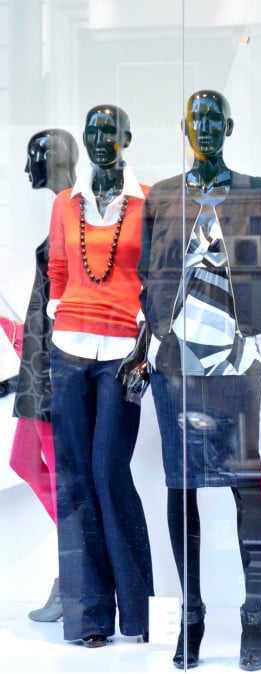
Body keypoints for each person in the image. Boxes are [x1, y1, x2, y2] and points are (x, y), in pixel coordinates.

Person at [120, 89, 261, 671]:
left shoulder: (256, 192)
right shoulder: (163, 196)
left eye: (216, 119)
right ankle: (190, 614)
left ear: (230, 127)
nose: (207, 127)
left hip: (238, 359)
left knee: (246, 485)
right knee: (181, 486)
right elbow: (148, 281)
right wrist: (142, 350)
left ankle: (254, 615)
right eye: (198, 120)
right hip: (175, 363)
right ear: (185, 129)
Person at [47, 105, 154, 647]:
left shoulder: (149, 201)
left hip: (122, 352)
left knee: (110, 471)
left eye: (109, 130)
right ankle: (88, 618)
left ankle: (137, 613)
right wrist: (59, 315)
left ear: (126, 138)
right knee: (75, 480)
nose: (98, 138)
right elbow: (57, 271)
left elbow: (157, 278)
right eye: (91, 130)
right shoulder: (66, 204)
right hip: (69, 348)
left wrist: (145, 344)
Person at [9, 129, 78, 622]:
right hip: (36, 369)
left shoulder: (72, 211)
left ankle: (73, 574)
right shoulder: (61, 209)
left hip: (54, 373)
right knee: (23, 461)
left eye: (33, 158)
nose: (26, 168)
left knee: (62, 478)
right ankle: (77, 560)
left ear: (51, 160)